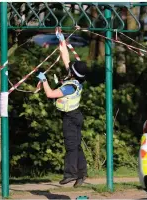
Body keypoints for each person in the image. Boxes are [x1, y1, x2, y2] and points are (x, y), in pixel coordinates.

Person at [36, 28, 88, 188]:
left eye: (70, 68)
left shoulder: (69, 87)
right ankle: (82, 173)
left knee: (71, 146)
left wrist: (43, 80)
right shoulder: (74, 79)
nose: (68, 66)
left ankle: (70, 174)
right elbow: (65, 57)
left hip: (71, 118)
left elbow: (50, 94)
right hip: (75, 116)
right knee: (76, 146)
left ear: (73, 73)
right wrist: (61, 40)